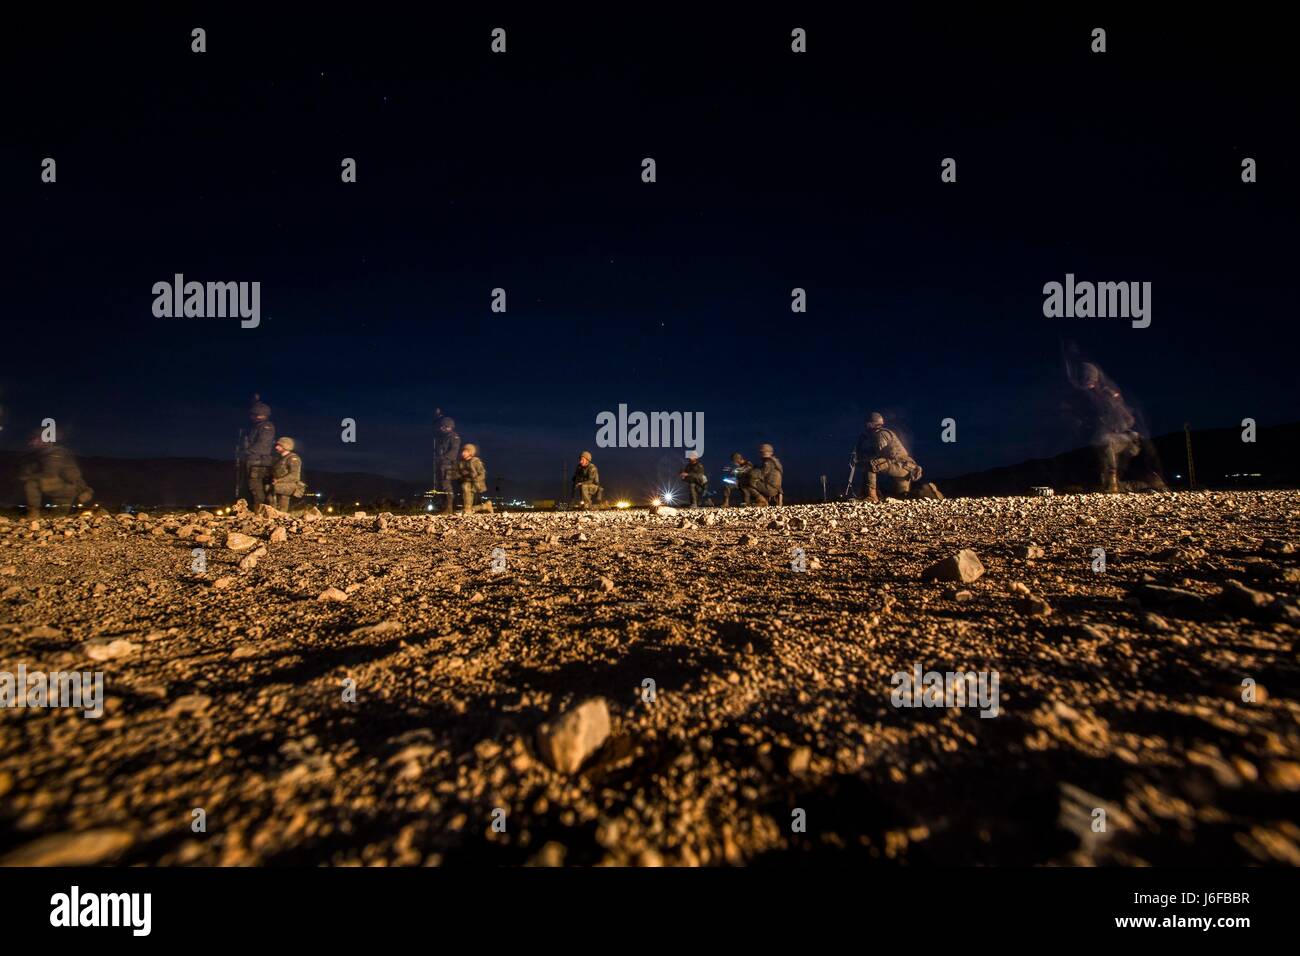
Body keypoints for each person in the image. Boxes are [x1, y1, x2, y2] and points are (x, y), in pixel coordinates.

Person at [18, 431, 93, 517]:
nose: (32, 442)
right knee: (31, 484)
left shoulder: (57, 454)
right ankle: (34, 512)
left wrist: (84, 490)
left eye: (36, 439)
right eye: (33, 439)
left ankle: (38, 513)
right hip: (52, 486)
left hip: (64, 489)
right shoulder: (35, 456)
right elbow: (25, 475)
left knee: (58, 515)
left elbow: (72, 474)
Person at [856, 412, 923, 501]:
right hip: (906, 467)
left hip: (899, 464)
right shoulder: (885, 433)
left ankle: (871, 497)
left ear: (870, 424)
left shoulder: (880, 434)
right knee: (902, 497)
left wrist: (862, 455)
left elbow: (878, 454)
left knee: (870, 465)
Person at [240, 398, 276, 507]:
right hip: (255, 460)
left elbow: (262, 445)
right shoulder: (257, 427)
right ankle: (258, 509)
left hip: (259, 461)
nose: (252, 417)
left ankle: (260, 511)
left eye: (255, 415)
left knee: (256, 488)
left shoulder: (266, 427)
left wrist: (247, 451)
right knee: (253, 487)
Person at [434, 413, 461, 514]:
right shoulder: (443, 437)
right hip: (442, 463)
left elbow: (454, 451)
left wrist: (443, 457)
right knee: (441, 485)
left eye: (444, 426)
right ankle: (444, 506)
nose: (442, 428)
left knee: (446, 484)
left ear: (449, 427)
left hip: (448, 464)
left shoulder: (454, 437)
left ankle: (449, 507)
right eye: (441, 426)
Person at [269, 437, 304, 511]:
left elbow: (295, 476)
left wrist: (278, 480)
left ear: (285, 446)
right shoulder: (280, 459)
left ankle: (281, 516)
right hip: (279, 484)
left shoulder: (293, 458)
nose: (276, 447)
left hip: (287, 485)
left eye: (279, 445)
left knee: (282, 508)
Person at [455, 443, 488, 514]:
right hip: (466, 482)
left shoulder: (476, 461)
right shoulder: (461, 463)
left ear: (470, 452)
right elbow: (458, 474)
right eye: (463, 451)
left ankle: (467, 508)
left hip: (476, 484)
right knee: (465, 487)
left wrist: (475, 480)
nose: (463, 453)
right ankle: (485, 506)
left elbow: (482, 474)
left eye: (465, 451)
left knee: (466, 486)